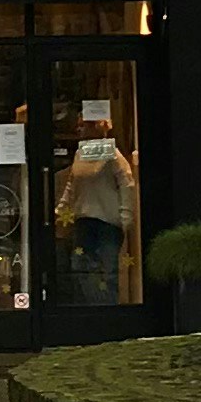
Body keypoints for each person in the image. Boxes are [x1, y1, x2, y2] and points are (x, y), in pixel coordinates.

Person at [58, 101, 138, 304]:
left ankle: (107, 309)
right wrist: (61, 209)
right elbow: (72, 184)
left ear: (95, 126)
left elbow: (127, 183)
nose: (79, 128)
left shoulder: (112, 154)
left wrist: (125, 216)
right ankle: (92, 306)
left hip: (107, 223)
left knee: (106, 271)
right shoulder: (81, 153)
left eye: (83, 124)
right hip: (83, 221)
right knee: (80, 267)